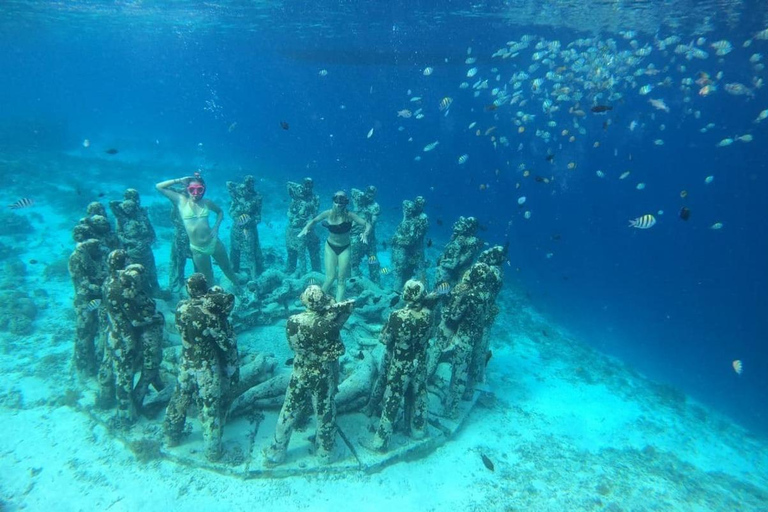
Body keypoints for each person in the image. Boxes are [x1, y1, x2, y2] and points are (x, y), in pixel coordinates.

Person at [264, 285, 355, 466]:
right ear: (322, 302)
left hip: (299, 371)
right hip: (322, 374)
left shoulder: (292, 320)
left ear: (304, 301)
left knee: (288, 410)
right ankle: (325, 454)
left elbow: (293, 346)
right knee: (324, 412)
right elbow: (339, 350)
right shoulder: (327, 325)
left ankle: (276, 452)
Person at [164, 273, 239, 462]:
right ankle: (212, 451)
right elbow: (224, 343)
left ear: (189, 290)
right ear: (205, 288)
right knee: (209, 406)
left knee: (180, 396)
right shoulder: (209, 313)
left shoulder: (181, 307)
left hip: (186, 360)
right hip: (206, 366)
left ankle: (172, 435)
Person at [366, 280, 440, 452]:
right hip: (420, 362)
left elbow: (385, 339)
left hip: (401, 363)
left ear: (405, 294)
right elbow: (432, 334)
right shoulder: (429, 315)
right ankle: (418, 431)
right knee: (420, 393)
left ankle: (380, 441)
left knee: (393, 398)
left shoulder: (397, 316)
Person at [156, 173, 241, 288]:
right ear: (187, 189)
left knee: (227, 269)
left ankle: (241, 291)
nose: (195, 193)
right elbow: (159, 186)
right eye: (192, 190)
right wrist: (180, 179)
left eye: (199, 190)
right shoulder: (181, 201)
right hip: (197, 249)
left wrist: (216, 227)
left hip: (214, 243)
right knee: (208, 277)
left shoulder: (207, 202)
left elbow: (220, 212)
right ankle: (217, 299)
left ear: (204, 190)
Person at [299, 191, 371, 301]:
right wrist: (306, 227)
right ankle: (316, 302)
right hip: (330, 247)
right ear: (333, 201)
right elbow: (314, 220)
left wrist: (365, 233)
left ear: (346, 203)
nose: (338, 204)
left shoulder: (350, 215)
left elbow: (367, 224)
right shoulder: (328, 213)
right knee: (330, 277)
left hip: (345, 248)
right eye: (336, 202)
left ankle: (338, 305)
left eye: (341, 202)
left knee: (342, 279)